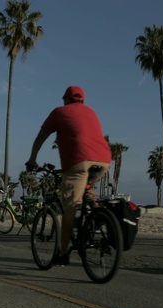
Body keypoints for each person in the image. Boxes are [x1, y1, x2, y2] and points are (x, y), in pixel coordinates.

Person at [26, 85, 112, 266]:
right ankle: (96, 216)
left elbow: (41, 136)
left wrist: (32, 159)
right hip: (103, 160)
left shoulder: (59, 112)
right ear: (82, 100)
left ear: (66, 99)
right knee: (87, 191)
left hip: (78, 162)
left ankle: (63, 253)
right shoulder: (91, 112)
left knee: (70, 207)